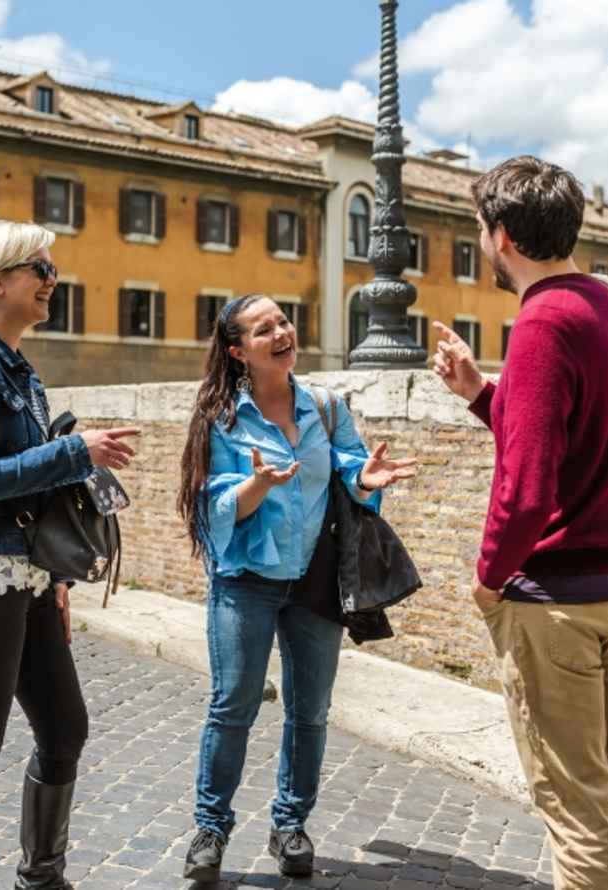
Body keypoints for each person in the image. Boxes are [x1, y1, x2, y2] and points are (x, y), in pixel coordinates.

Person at [432, 155, 608, 890]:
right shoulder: (607, 307)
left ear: (502, 235)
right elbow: (571, 434)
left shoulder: (542, 322)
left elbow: (527, 488)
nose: (479, 242)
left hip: (556, 602)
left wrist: (488, 578)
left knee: (572, 807)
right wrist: (481, 394)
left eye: (478, 228)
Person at [0, 220, 139, 890]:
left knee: (64, 726)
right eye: (40, 269)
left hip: (27, 576)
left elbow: (30, 495)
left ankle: (41, 879)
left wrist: (55, 581)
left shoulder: (20, 369)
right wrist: (77, 451)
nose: (54, 281)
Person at [176, 294, 416, 881]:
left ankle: (290, 825)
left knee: (309, 711)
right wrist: (257, 485)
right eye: (264, 330)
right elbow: (211, 505)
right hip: (246, 581)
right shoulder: (221, 417)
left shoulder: (326, 406)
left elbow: (349, 468)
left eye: (282, 321)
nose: (282, 332)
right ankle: (211, 827)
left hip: (313, 579)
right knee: (233, 706)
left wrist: (364, 476)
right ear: (238, 351)